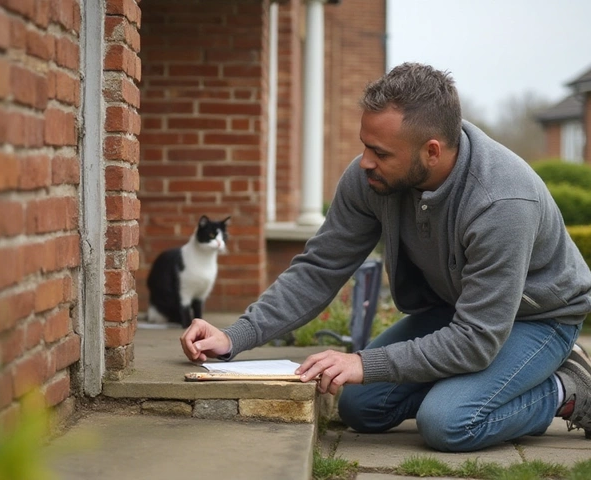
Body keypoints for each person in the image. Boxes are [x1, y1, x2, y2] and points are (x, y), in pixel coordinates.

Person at [180, 62, 591, 452]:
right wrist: (236, 336)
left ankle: (567, 389)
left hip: (537, 320)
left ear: (431, 151)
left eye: (380, 152)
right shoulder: (369, 179)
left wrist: (364, 361)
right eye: (364, 145)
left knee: (448, 422)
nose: (365, 161)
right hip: (457, 311)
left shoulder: (501, 202)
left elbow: (477, 340)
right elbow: (320, 268)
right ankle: (475, 388)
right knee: (361, 406)